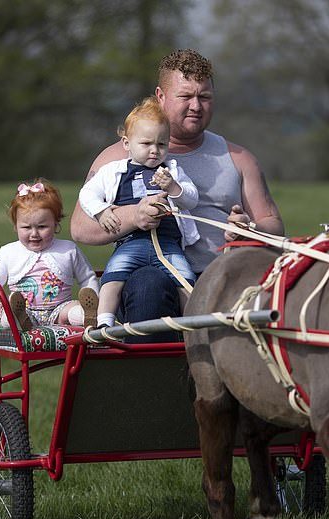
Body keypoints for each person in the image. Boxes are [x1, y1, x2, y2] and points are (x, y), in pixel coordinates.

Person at [70, 49, 284, 340]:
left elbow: (274, 226)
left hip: (220, 276)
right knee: (149, 285)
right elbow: (80, 228)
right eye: (186, 97)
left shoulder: (238, 158)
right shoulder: (116, 158)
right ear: (161, 96)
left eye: (205, 97)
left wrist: (249, 229)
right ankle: (156, 380)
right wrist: (136, 215)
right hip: (148, 274)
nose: (196, 106)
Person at [78, 97, 200, 328]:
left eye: (161, 145)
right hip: (131, 241)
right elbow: (87, 194)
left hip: (167, 243)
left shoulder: (172, 170)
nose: (154, 151)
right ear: (127, 143)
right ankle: (104, 323)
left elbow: (192, 199)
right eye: (146, 144)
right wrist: (102, 212)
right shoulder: (113, 171)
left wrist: (174, 188)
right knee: (114, 274)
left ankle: (191, 327)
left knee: (185, 278)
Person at [0, 180, 100, 331]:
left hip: (59, 312)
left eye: (42, 227)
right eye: (26, 227)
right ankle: (21, 319)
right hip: (26, 310)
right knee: (8, 315)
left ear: (55, 224)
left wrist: (94, 296)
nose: (34, 233)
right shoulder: (9, 252)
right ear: (15, 226)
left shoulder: (68, 250)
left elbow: (87, 278)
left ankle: (88, 315)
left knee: (72, 309)